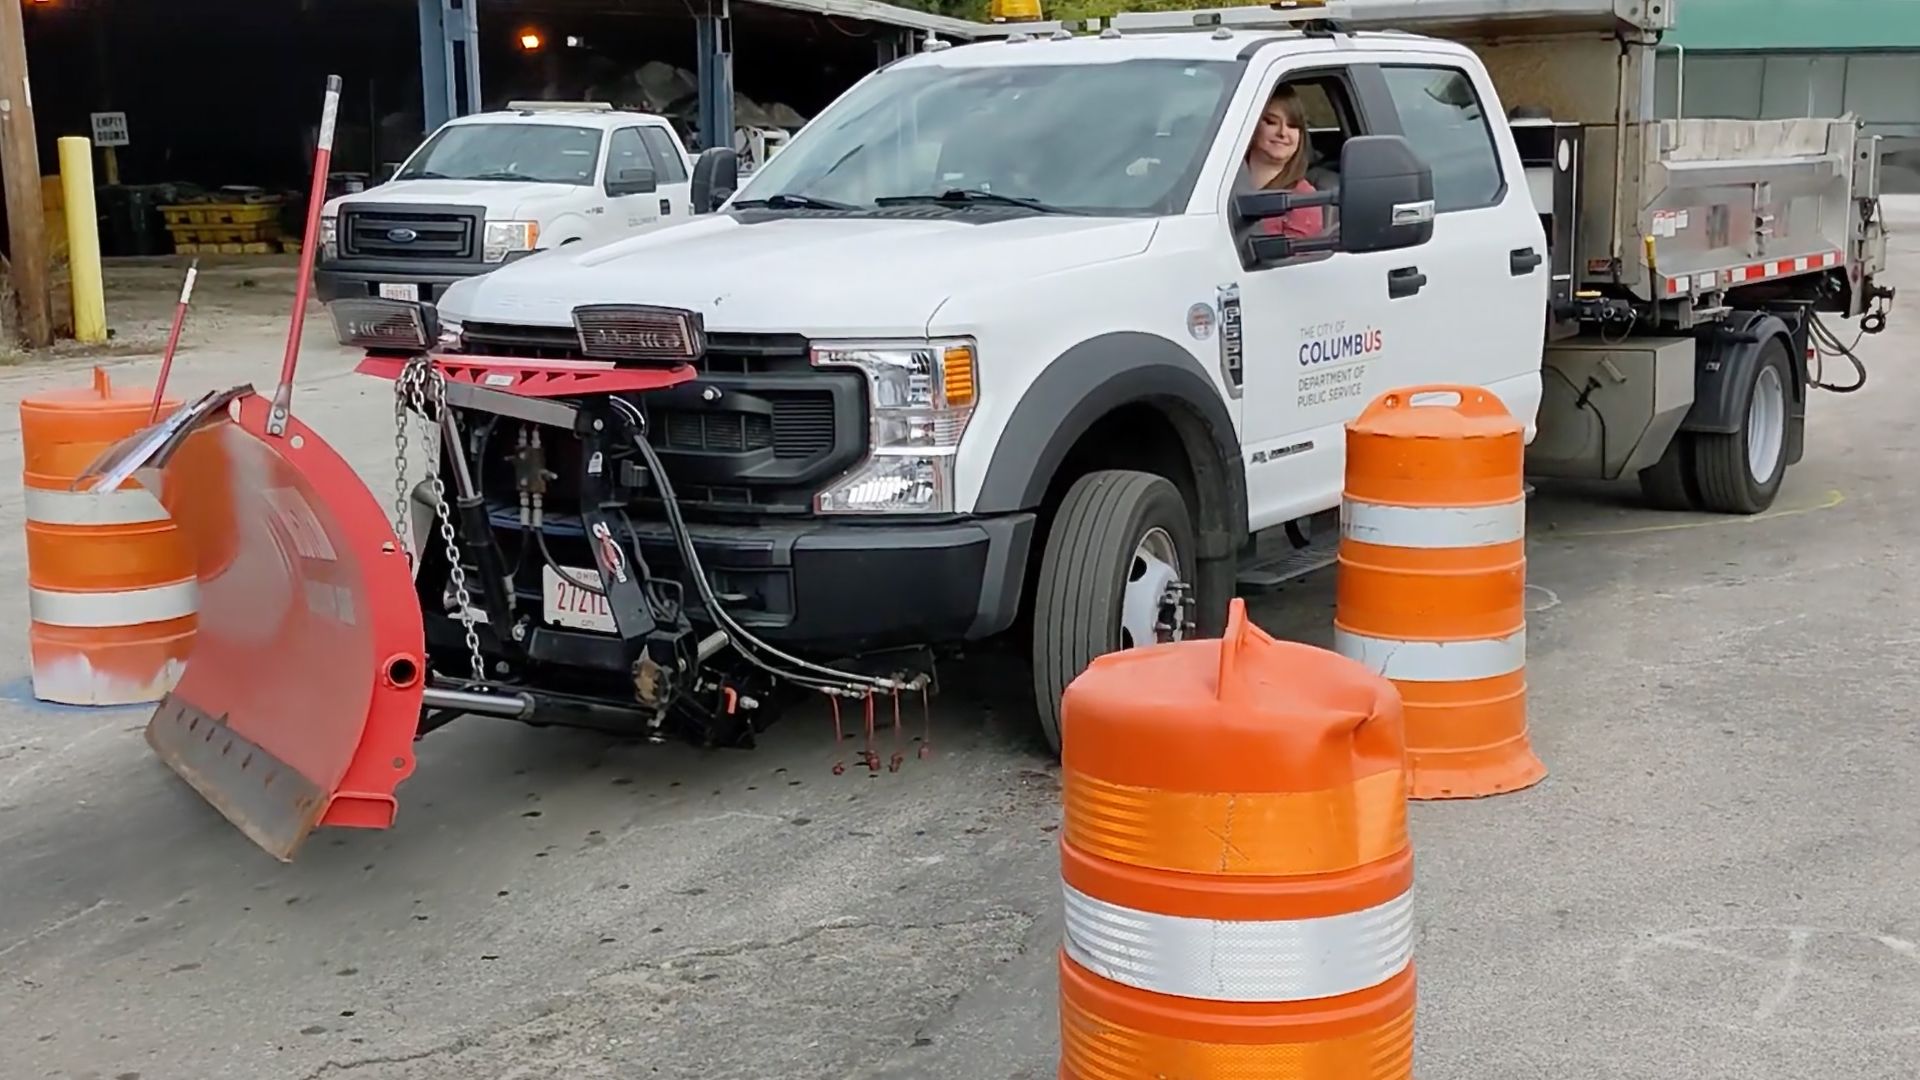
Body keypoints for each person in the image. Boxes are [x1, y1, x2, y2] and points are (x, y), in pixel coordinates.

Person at [1238, 85, 1324, 239]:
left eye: (1292, 125)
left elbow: (1298, 262)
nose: (1283, 133)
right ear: (1251, 125)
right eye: (1271, 122)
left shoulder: (1302, 199)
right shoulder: (1220, 182)